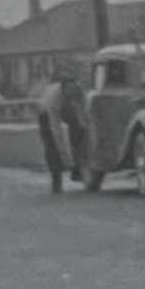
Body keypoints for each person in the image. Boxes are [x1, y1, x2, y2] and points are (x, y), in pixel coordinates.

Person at [36, 65, 88, 194]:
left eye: (73, 92)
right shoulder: (53, 99)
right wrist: (65, 158)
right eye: (68, 92)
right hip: (45, 112)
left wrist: (83, 135)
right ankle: (56, 179)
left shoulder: (78, 90)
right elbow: (57, 131)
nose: (71, 94)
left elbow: (82, 113)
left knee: (79, 128)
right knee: (52, 144)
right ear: (63, 88)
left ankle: (77, 168)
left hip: (65, 106)